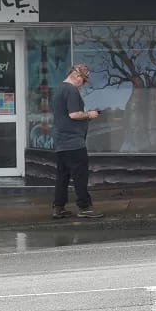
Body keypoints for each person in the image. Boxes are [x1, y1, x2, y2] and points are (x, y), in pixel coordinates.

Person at [51, 63, 104, 219]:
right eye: (84, 80)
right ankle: (84, 207)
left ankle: (58, 207)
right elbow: (74, 114)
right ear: (77, 76)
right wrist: (90, 114)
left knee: (63, 176)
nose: (84, 84)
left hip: (61, 141)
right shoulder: (71, 90)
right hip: (73, 141)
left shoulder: (59, 89)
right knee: (80, 175)